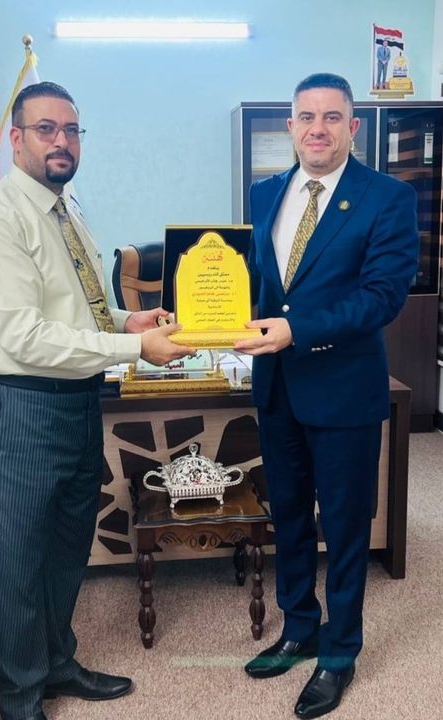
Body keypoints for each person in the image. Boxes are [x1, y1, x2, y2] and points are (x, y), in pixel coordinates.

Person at [0, 81, 194, 720]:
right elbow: (24, 338)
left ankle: (57, 663)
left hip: (77, 399)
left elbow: (79, 310)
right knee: (20, 558)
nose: (62, 141)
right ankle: (20, 696)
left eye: (72, 130)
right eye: (47, 129)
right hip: (20, 404)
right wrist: (136, 350)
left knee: (65, 545)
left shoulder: (68, 211)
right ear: (16, 139)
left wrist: (129, 321)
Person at [234, 73, 418, 718]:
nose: (318, 128)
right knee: (287, 515)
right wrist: (218, 321)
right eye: (306, 117)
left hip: (343, 390)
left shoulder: (387, 198)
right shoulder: (265, 193)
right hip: (278, 389)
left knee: (342, 525)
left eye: (332, 117)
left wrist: (297, 330)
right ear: (290, 126)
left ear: (352, 127)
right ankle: (299, 628)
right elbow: (260, 281)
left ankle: (339, 653)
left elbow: (382, 297)